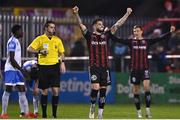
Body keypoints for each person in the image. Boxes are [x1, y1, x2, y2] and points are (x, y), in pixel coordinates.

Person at [72, 6, 132, 119]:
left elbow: (118, 24)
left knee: (103, 91)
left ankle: (100, 114)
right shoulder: (90, 36)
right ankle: (92, 105)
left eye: (102, 24)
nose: (102, 26)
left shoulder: (107, 35)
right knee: (95, 88)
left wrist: (127, 14)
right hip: (94, 67)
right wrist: (76, 14)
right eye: (99, 24)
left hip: (105, 68)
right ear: (94, 26)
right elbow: (81, 26)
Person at [111, 25, 176, 118]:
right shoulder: (130, 42)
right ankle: (139, 112)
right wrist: (110, 33)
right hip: (134, 70)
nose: (136, 33)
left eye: (137, 31)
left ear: (141, 31)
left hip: (144, 69)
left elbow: (159, 38)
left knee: (146, 87)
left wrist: (170, 32)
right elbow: (117, 40)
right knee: (136, 90)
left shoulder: (147, 41)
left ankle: (148, 110)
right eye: (134, 31)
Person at [27, 21, 66, 118]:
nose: (53, 29)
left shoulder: (57, 40)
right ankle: (44, 114)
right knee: (44, 91)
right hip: (43, 67)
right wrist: (39, 51)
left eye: (54, 27)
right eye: (51, 27)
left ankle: (54, 115)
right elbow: (29, 49)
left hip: (55, 67)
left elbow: (62, 53)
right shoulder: (40, 39)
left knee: (56, 91)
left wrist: (63, 63)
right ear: (46, 28)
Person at [0, 25, 32, 119]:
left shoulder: (17, 41)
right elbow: (12, 59)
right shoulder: (12, 42)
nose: (22, 32)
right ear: (16, 31)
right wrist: (22, 70)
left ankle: (26, 113)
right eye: (21, 30)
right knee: (8, 89)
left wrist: (20, 69)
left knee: (22, 89)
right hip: (10, 69)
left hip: (17, 69)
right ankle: (3, 113)